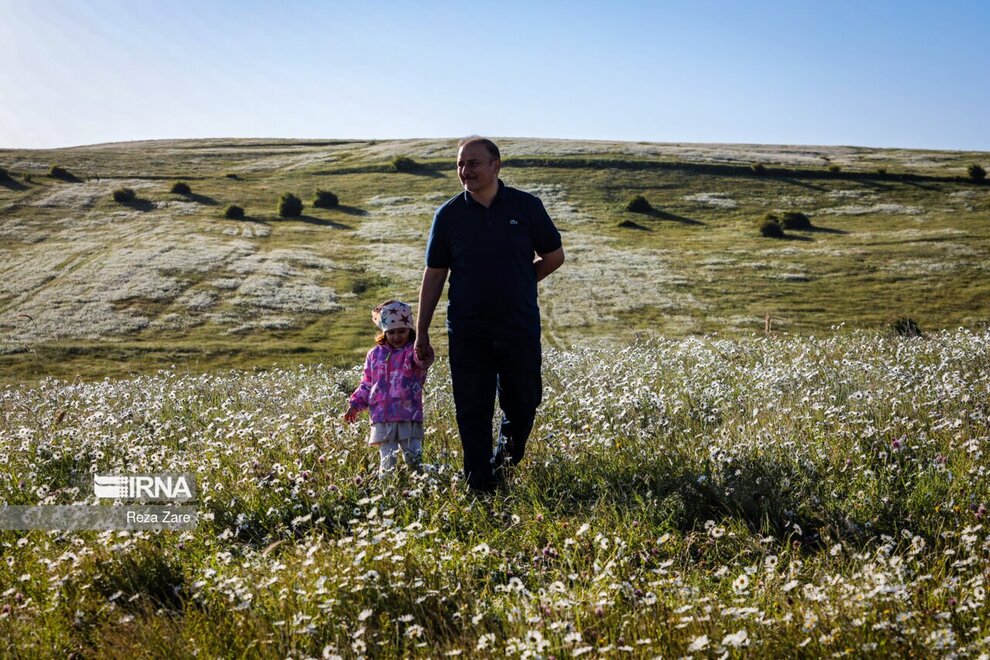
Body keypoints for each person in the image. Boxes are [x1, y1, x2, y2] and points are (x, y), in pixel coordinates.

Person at [415, 137, 565, 492]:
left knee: (524, 402)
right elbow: (434, 274)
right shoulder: (449, 215)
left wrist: (520, 281)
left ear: (496, 166)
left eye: (474, 163)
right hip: (468, 331)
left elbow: (554, 255)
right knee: (472, 410)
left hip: (519, 326)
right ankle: (479, 485)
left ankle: (503, 465)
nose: (465, 171)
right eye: (460, 164)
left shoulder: (527, 207)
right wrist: (421, 331)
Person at [345, 300, 434, 476]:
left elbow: (424, 360)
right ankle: (387, 491)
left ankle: (422, 486)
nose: (397, 336)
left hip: (408, 413)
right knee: (387, 462)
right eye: (391, 332)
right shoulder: (374, 354)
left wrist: (422, 345)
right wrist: (355, 404)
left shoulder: (413, 351)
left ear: (410, 329)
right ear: (384, 332)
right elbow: (367, 382)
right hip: (382, 417)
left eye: (402, 331)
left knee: (414, 458)